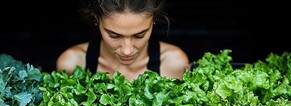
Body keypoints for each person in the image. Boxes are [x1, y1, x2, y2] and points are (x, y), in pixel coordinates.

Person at [56, 0, 190, 81]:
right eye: (114, 36)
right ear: (96, 19)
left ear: (154, 20)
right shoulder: (71, 63)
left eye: (139, 35)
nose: (127, 50)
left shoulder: (174, 63)